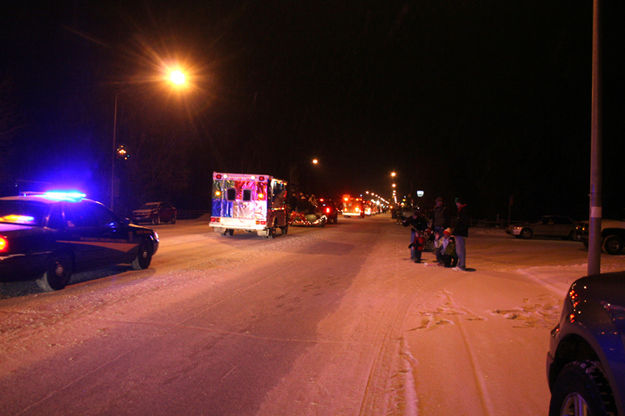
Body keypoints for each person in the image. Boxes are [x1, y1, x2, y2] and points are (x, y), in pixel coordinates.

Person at [453, 197, 469, 271]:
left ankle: (462, 265)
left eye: (457, 203)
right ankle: (460, 264)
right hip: (459, 232)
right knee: (458, 249)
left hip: (460, 233)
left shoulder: (463, 210)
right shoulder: (461, 210)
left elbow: (463, 223)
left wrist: (457, 230)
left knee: (460, 249)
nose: (456, 204)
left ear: (459, 203)